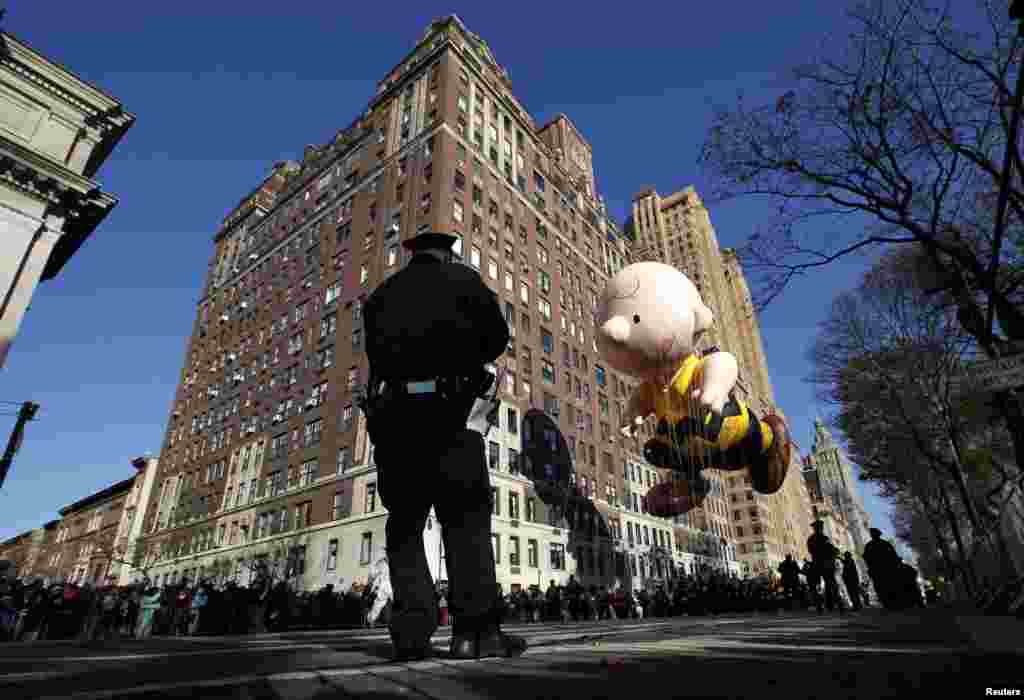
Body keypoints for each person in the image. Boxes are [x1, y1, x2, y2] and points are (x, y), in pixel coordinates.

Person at [360, 230, 526, 662]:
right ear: (446, 255)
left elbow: (375, 356)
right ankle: (474, 634)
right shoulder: (464, 281)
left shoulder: (381, 297)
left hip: (396, 421)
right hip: (452, 415)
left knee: (404, 524)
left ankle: (412, 632)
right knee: (465, 522)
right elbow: (496, 339)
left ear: (413, 255)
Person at [807, 521, 844, 614]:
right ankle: (836, 604)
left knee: (824, 585)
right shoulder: (822, 538)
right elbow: (830, 549)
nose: (821, 529)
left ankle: (826, 605)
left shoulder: (812, 539)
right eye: (820, 527)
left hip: (819, 564)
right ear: (817, 528)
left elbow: (811, 551)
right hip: (824, 564)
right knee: (829, 584)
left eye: (820, 527)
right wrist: (832, 552)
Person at [862, 528, 901, 609]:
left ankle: (890, 602)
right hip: (880, 570)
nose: (873, 535)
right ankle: (889, 602)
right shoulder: (881, 544)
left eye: (874, 534)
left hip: (884, 570)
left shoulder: (873, 545)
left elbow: (893, 556)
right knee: (882, 586)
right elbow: (866, 557)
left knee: (885, 586)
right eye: (872, 534)